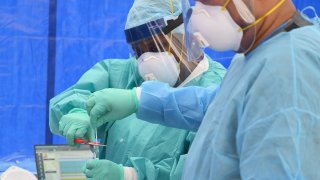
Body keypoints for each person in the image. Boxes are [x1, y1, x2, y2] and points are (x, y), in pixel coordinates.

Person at [86, 0, 320, 179]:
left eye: (208, 3)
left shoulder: (288, 64)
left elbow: (282, 167)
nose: (196, 17)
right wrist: (138, 99)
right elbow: (216, 106)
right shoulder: (257, 52)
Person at [49, 0, 226, 179]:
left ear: (186, 35)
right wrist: (79, 111)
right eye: (138, 50)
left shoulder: (217, 92)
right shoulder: (128, 74)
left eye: (155, 47)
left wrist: (130, 175)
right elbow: (74, 97)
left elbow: (202, 170)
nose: (147, 60)